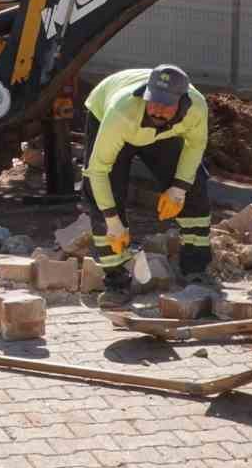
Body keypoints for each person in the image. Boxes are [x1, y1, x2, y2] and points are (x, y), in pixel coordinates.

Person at [80, 65, 212, 307]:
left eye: (166, 105)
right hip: (111, 120)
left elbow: (195, 146)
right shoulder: (121, 112)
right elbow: (97, 170)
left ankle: (195, 267)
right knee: (105, 193)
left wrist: (178, 189)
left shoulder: (197, 108)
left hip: (162, 135)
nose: (158, 110)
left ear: (182, 103)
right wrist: (112, 221)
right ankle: (116, 281)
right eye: (154, 101)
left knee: (195, 185)